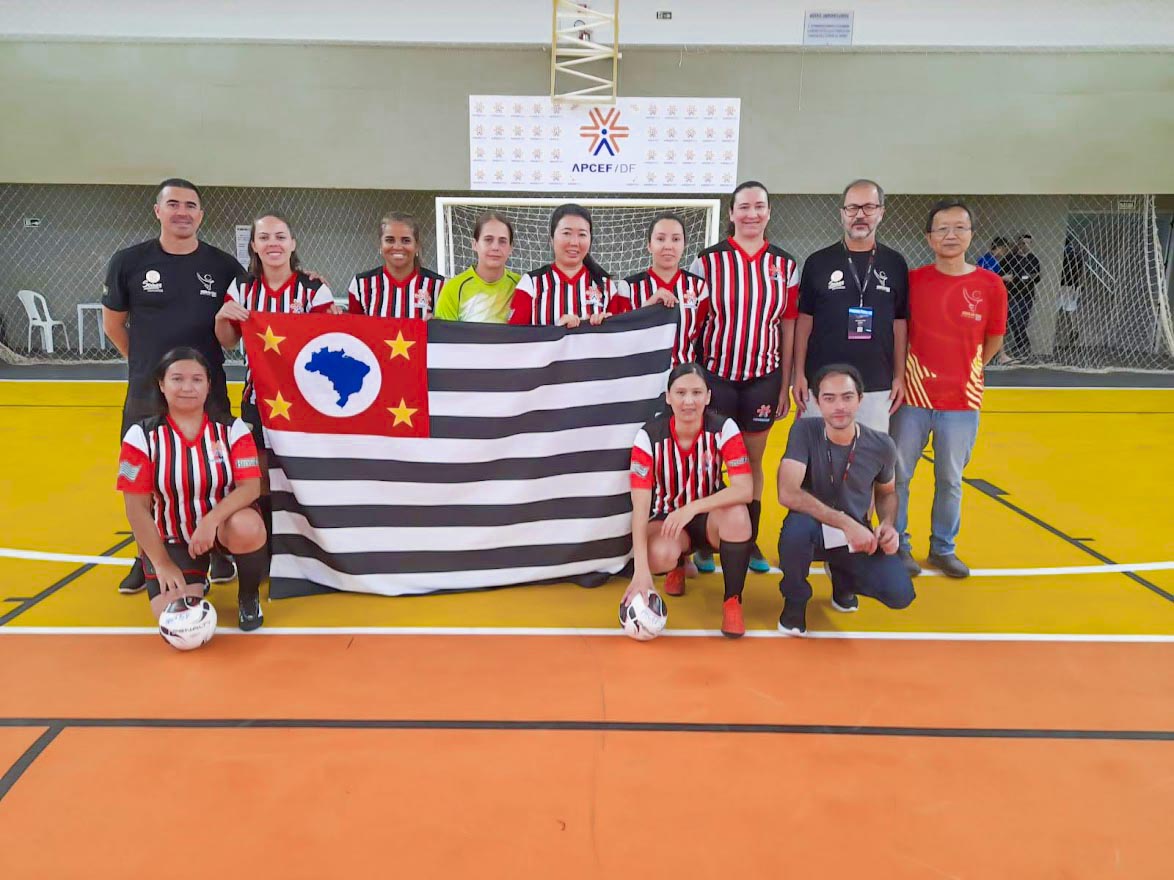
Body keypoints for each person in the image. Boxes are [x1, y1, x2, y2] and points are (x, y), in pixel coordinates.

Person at [102, 178, 245, 594]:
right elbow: (113, 325)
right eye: (173, 204)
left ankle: (216, 549)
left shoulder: (223, 267)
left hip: (208, 391)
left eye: (190, 205)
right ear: (158, 211)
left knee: (216, 471)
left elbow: (236, 330)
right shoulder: (129, 261)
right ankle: (146, 556)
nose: (182, 212)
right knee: (145, 479)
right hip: (147, 393)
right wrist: (150, 369)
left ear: (201, 215)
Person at [890, 200, 1007, 579]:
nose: (951, 235)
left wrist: (966, 370)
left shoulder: (990, 285)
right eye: (942, 228)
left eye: (959, 227)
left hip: (961, 401)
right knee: (898, 476)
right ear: (929, 237)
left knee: (951, 480)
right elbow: (898, 332)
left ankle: (943, 548)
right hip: (912, 398)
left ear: (971, 234)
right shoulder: (913, 281)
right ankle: (898, 545)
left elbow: (994, 338)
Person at [116, 347, 269, 631]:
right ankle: (194, 575)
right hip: (174, 536)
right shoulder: (140, 436)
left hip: (222, 529)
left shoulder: (233, 429)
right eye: (177, 379)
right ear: (162, 384)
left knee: (248, 526)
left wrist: (211, 521)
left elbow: (250, 488)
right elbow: (136, 509)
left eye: (197, 379)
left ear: (209, 385)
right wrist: (162, 563)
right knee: (176, 622)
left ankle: (248, 595)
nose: (187, 387)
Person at [690, 180, 799, 574]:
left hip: (762, 379)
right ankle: (704, 539)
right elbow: (693, 322)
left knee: (752, 462)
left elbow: (788, 326)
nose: (752, 213)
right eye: (744, 207)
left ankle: (748, 540)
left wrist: (785, 382)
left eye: (759, 206)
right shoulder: (707, 262)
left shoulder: (785, 265)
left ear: (768, 213)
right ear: (731, 213)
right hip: (716, 377)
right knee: (708, 460)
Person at [213, 213, 335, 536]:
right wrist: (222, 318)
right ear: (253, 245)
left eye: (280, 236)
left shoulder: (314, 289)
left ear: (292, 243)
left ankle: (306, 540)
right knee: (261, 474)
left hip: (306, 400)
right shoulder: (242, 287)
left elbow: (324, 345)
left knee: (302, 473)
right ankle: (266, 543)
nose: (273, 244)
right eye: (264, 237)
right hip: (258, 397)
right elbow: (229, 341)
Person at [775, 364, 915, 635]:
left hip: (856, 536)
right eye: (829, 398)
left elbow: (886, 493)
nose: (839, 406)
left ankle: (844, 582)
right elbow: (787, 492)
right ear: (817, 402)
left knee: (900, 593)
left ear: (860, 399)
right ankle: (795, 601)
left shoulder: (881, 444)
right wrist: (844, 523)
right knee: (795, 533)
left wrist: (888, 524)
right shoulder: (804, 431)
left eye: (847, 397)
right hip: (813, 528)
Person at [624, 363, 754, 637]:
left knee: (738, 515)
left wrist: (692, 508)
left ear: (708, 396)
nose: (688, 401)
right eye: (681, 393)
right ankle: (679, 564)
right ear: (668, 397)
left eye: (696, 393)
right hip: (667, 519)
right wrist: (640, 571)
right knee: (659, 556)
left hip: (709, 517)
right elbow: (640, 506)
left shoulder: (724, 428)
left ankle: (733, 601)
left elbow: (745, 489)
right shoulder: (648, 436)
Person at [792, 178, 909, 431]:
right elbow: (804, 322)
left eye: (869, 207)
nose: (860, 215)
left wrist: (899, 375)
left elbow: (899, 324)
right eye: (852, 208)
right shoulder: (817, 262)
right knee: (818, 453)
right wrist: (798, 374)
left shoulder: (895, 263)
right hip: (821, 383)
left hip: (877, 384)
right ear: (842, 214)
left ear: (881, 212)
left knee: (869, 454)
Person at [508, 203, 630, 326]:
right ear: (551, 238)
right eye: (566, 233)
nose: (574, 242)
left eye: (582, 234)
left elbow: (621, 335)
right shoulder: (531, 283)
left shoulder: (606, 286)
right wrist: (558, 330)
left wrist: (606, 325)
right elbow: (515, 334)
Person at [624, 212, 711, 367]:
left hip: (684, 376)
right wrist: (648, 306)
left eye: (676, 239)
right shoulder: (628, 288)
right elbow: (622, 337)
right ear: (649, 245)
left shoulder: (699, 287)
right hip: (641, 375)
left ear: (684, 244)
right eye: (660, 239)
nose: (668, 246)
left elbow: (698, 337)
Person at [347, 212, 445, 318]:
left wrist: (436, 323)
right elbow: (353, 326)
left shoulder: (439, 286)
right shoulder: (361, 284)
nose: (397, 247)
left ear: (416, 246)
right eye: (390, 240)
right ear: (380, 245)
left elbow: (448, 325)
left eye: (406, 241)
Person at [434, 212, 521, 323]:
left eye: (502, 241)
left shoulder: (521, 287)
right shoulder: (453, 288)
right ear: (474, 244)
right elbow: (444, 332)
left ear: (511, 248)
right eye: (488, 239)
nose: (495, 247)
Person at [1001, 233, 1041, 360]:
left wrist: (1028, 277)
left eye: (1028, 243)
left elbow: (1037, 277)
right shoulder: (1010, 258)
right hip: (1013, 294)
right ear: (1018, 244)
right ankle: (1023, 345)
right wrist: (1011, 278)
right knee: (1014, 320)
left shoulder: (1033, 259)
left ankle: (1021, 346)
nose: (1025, 245)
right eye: (1022, 243)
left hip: (1027, 295)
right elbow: (1001, 274)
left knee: (1023, 321)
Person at [1055, 235, 1085, 351]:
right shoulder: (1077, 254)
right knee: (1071, 310)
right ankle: (1074, 328)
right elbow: (1080, 272)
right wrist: (1078, 285)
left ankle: (1059, 332)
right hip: (1073, 285)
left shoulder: (1062, 254)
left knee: (1056, 308)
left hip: (1063, 284)